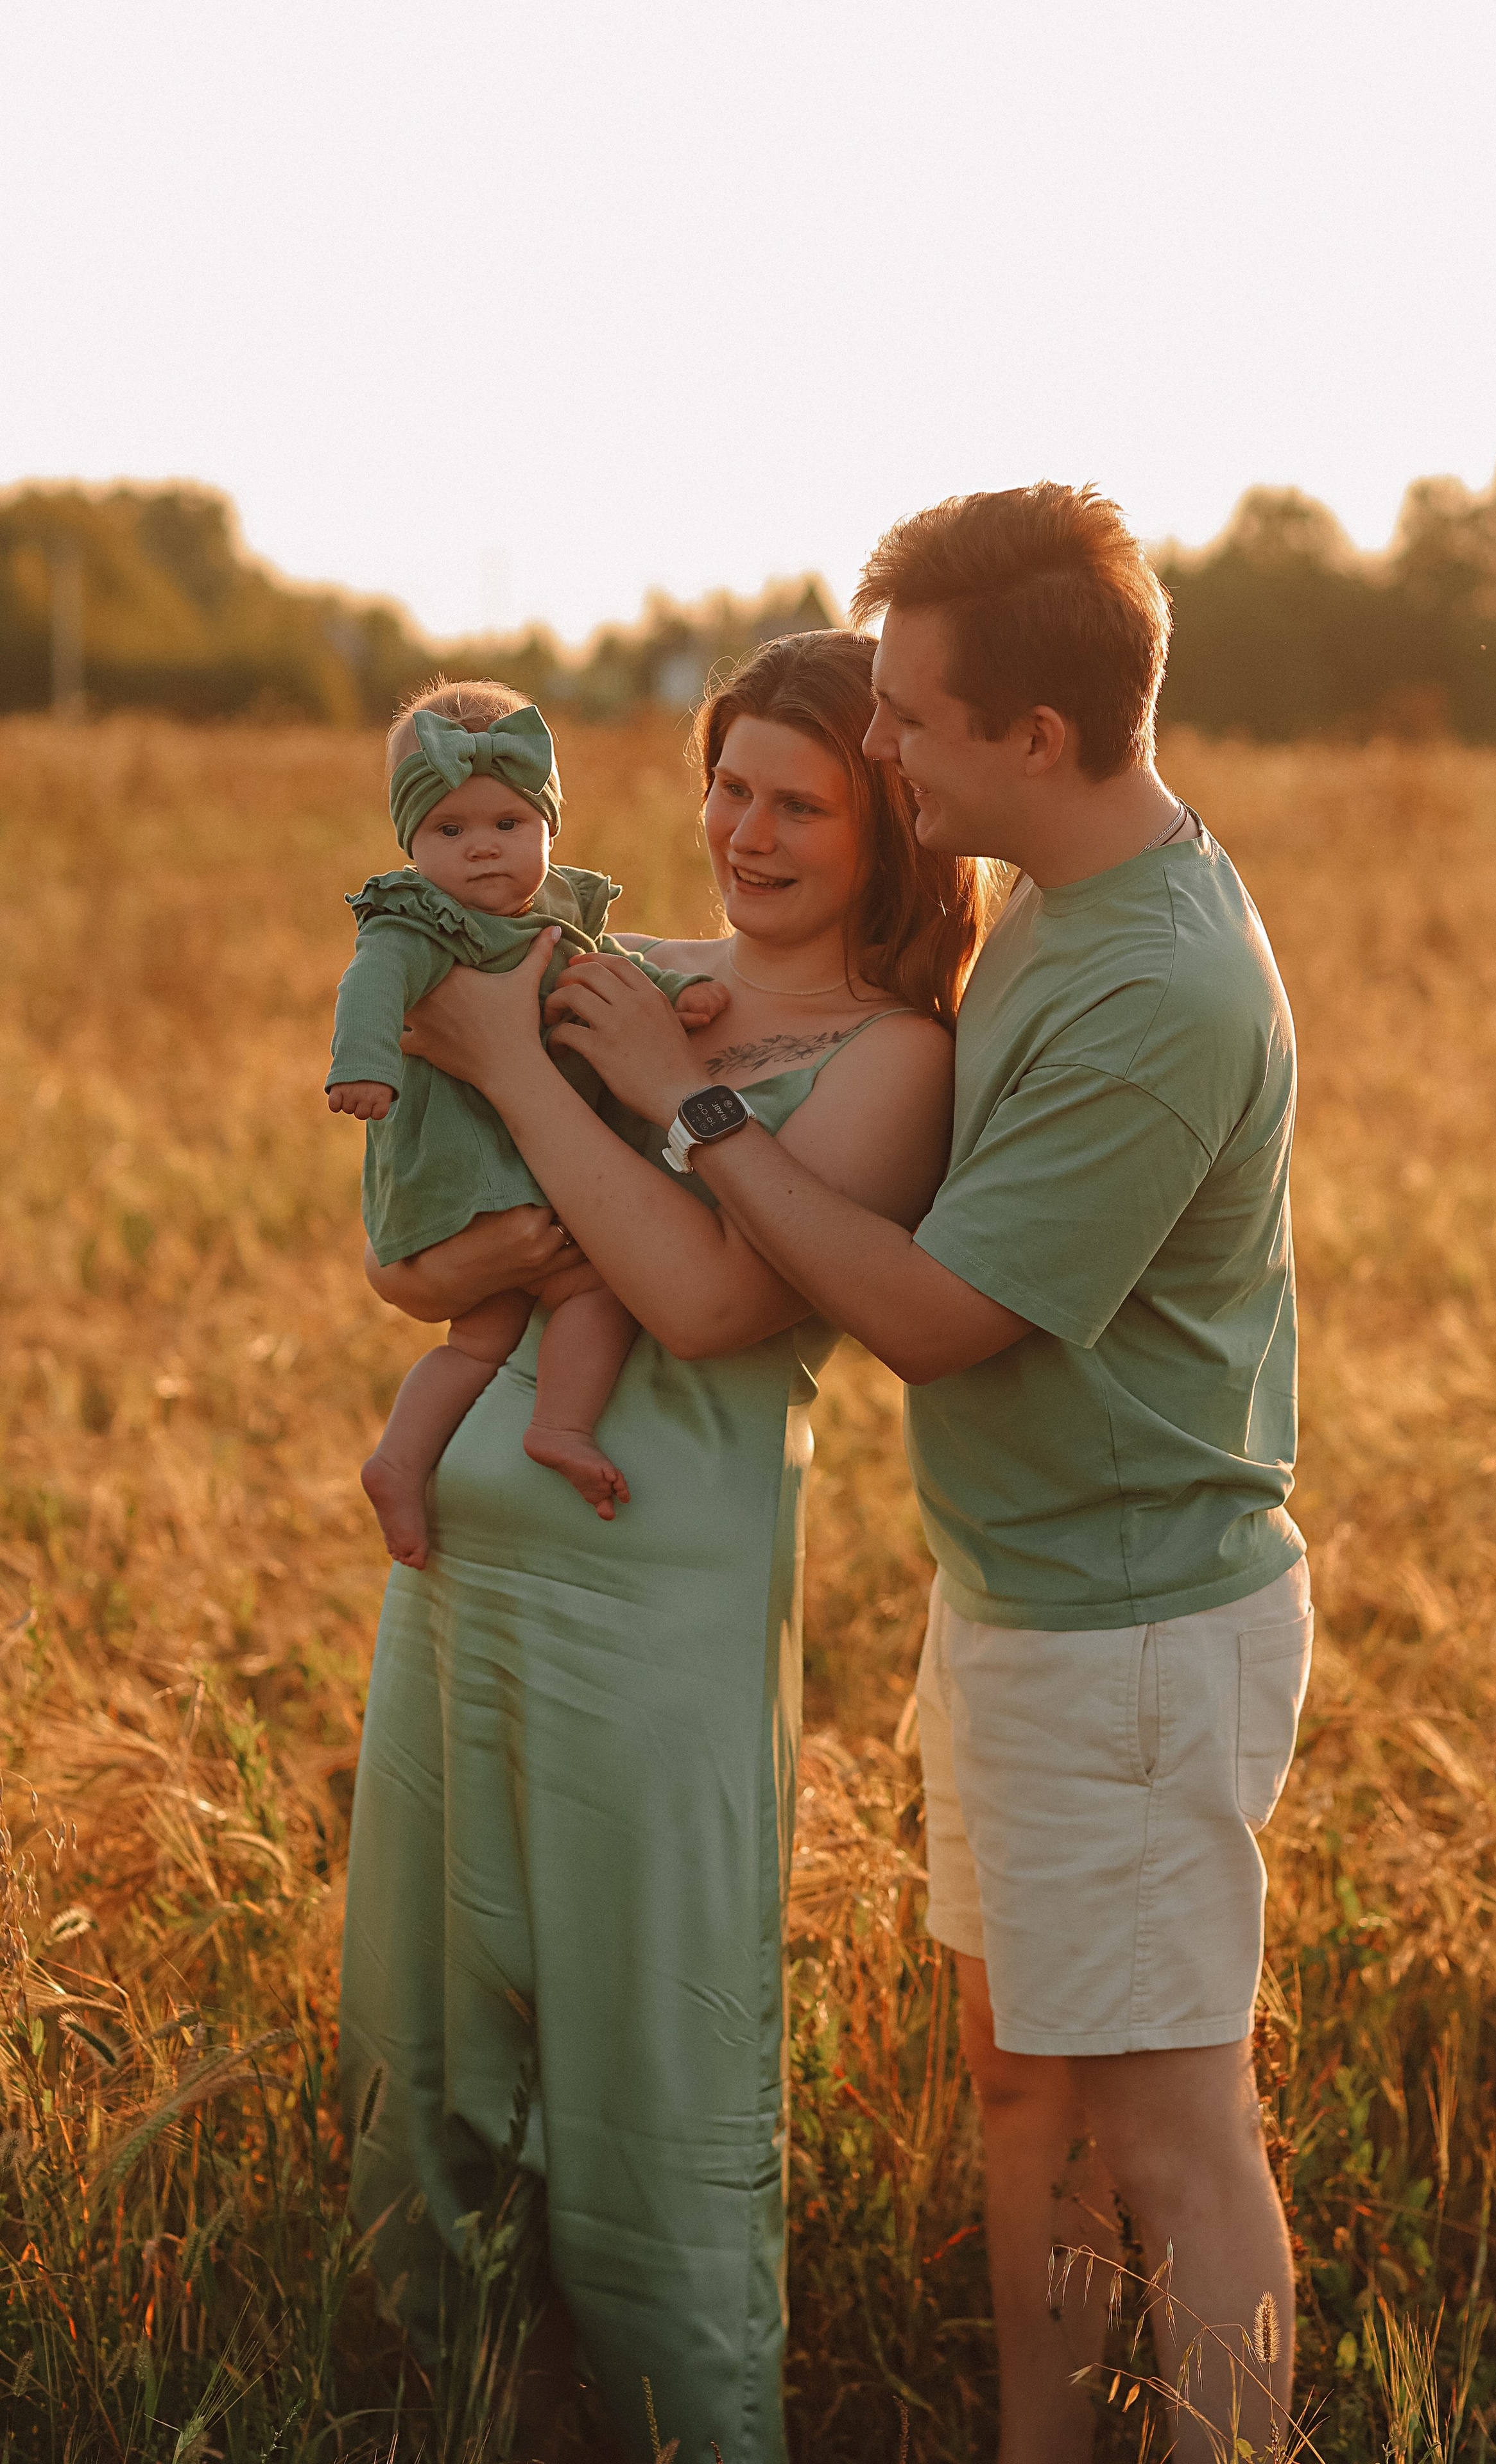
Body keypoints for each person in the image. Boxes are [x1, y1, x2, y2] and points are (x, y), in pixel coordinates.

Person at [539, 486, 1309, 2464]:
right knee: (1029, 2101)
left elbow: (940, 1318)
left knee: (1169, 2130)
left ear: (1031, 739)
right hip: (1032, 1603)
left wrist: (691, 1107)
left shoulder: (1158, 988)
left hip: (1133, 1635)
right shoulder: (1063, 893)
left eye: (907, 717)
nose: (873, 749)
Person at [338, 631, 986, 2464]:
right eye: (729, 786)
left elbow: (706, 1305)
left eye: (804, 802)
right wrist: (464, 1238)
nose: (748, 834)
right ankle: (437, 2423)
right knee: (429, 2044)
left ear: (889, 834)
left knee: (651, 2071)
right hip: (461, 1567)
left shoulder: (895, 1059)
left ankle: (678, 2433)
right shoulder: (605, 964)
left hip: (658, 1598)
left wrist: (543, 1074)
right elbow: (408, 1252)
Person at [327, 680, 730, 1561]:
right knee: (572, 1289)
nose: (482, 852)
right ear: (410, 842)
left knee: (500, 1328)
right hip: (456, 1165)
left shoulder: (563, 917)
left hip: (530, 1169)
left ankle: (429, 1453)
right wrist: (365, 1066)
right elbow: (371, 989)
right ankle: (532, 1429)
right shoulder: (412, 921)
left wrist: (677, 994)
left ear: (549, 827)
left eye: (508, 826)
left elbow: (607, 971)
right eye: (451, 831)